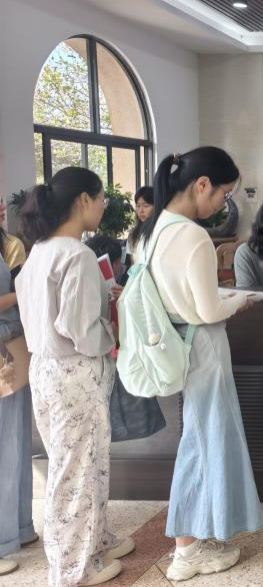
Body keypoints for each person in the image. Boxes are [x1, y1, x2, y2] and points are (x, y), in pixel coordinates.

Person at [133, 148, 262, 581]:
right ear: (202, 184)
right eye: (223, 193)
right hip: (202, 346)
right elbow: (208, 310)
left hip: (174, 342)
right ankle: (186, 550)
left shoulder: (151, 231)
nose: (223, 204)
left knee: (200, 438)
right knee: (204, 442)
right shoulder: (193, 236)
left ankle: (196, 537)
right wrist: (240, 300)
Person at [15, 167, 133, 586]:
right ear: (83, 200)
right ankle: (72, 569)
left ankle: (94, 542)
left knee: (80, 464)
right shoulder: (78, 255)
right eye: (101, 199)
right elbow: (81, 331)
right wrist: (113, 326)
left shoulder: (40, 250)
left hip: (45, 369)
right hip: (75, 371)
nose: (102, 207)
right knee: (77, 472)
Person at [0, 256, 34, 579]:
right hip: (4, 348)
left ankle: (18, 527)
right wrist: (22, 292)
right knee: (5, 445)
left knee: (16, 442)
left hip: (10, 347)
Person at [124, 186, 154, 269]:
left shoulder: (159, 231)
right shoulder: (133, 234)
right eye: (138, 206)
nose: (141, 211)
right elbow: (132, 265)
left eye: (146, 206)